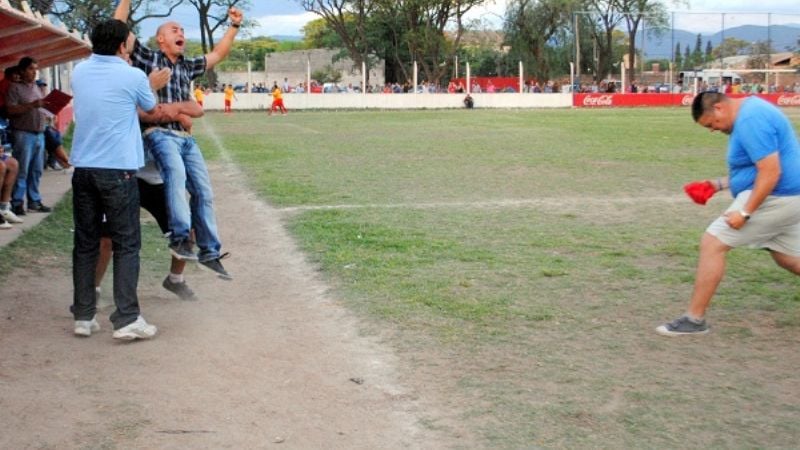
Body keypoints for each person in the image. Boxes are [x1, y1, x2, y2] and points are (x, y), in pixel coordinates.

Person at [115, 0, 241, 280]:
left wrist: (233, 26)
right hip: (159, 134)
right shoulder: (148, 58)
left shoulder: (188, 65)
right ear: (161, 39)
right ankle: (181, 237)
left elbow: (218, 54)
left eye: (182, 29)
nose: (180, 31)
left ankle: (209, 250)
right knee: (176, 174)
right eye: (174, 28)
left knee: (204, 190)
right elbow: (120, 27)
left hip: (185, 137)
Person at [656, 92, 800, 336]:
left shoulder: (750, 120)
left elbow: (771, 172)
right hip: (787, 196)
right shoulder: (751, 113)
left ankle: (694, 319)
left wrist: (745, 212)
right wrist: (718, 184)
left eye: (712, 124)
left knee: (712, 243)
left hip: (778, 197)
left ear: (720, 108)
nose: (713, 130)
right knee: (788, 257)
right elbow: (756, 168)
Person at [70, 18, 167, 340]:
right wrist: (151, 83)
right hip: (118, 170)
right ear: (122, 45)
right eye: (130, 42)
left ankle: (83, 316)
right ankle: (126, 318)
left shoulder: (80, 71)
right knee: (127, 244)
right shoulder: (133, 75)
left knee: (85, 243)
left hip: (83, 169)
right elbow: (151, 108)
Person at [4, 56, 51, 216]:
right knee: (22, 169)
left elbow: (40, 107)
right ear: (22, 71)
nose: (34, 72)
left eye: (36, 69)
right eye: (31, 69)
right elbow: (10, 110)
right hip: (23, 133)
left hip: (39, 133)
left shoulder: (36, 87)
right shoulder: (15, 88)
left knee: (36, 170)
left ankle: (34, 200)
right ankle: (17, 202)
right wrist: (32, 105)